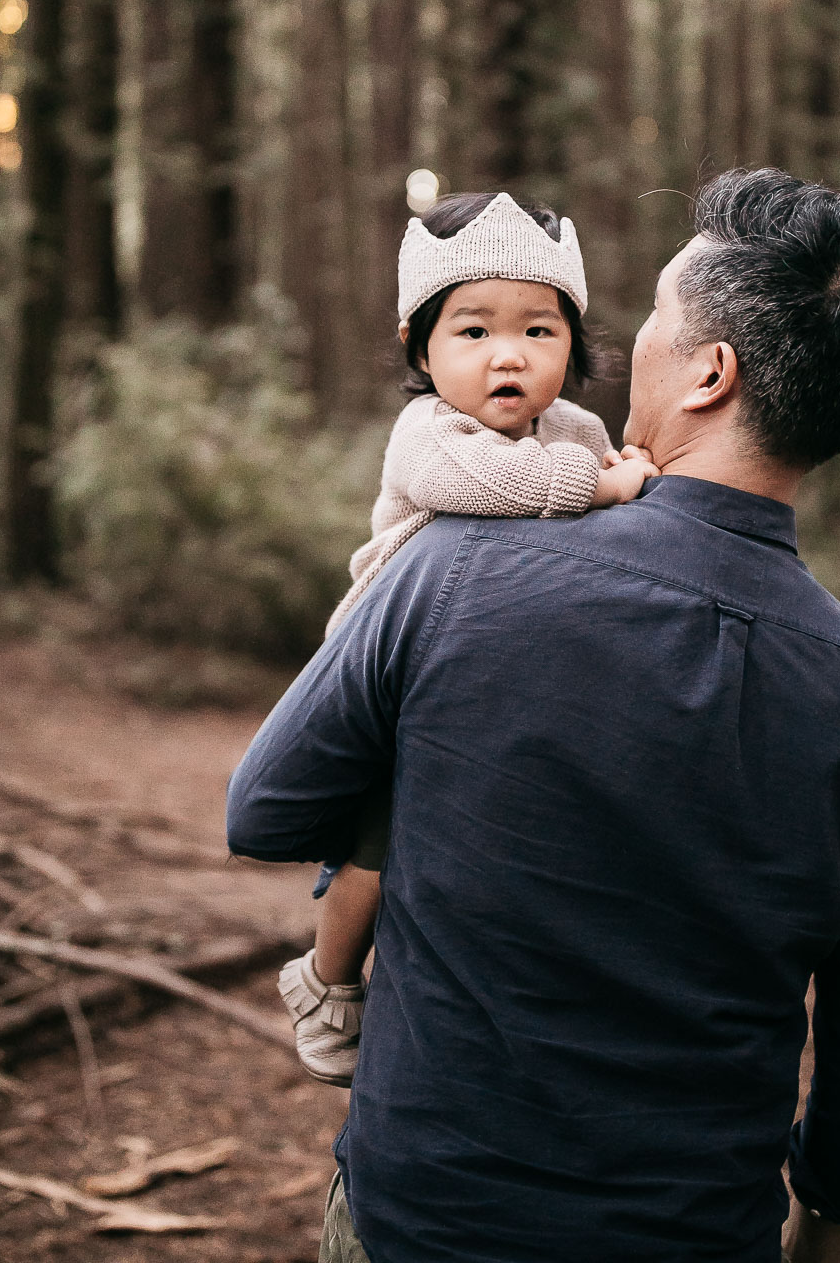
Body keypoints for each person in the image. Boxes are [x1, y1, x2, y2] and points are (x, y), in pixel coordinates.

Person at [227, 166, 840, 1263]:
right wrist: (827, 1225)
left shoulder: (457, 567)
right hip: (696, 1231)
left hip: (429, 1214)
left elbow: (267, 809)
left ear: (710, 374)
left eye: (653, 318)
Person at [277, 191, 657, 1086]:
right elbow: (478, 485)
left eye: (540, 330)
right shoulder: (430, 433)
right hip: (392, 671)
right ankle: (325, 978)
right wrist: (602, 488)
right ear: (421, 348)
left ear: (575, 342)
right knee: (374, 848)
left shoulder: (577, 430)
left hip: (498, 675)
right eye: (473, 332)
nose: (510, 355)